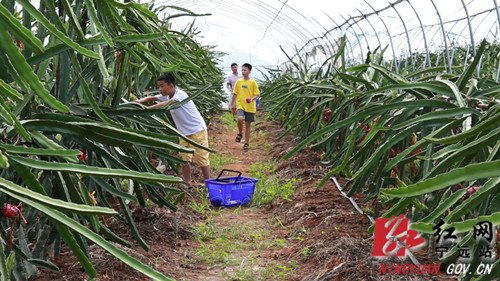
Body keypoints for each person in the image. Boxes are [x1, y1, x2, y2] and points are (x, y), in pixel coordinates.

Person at [134, 73, 210, 186]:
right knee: (184, 159)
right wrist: (140, 101)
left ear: (171, 85)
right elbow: (153, 97)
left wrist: (147, 109)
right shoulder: (167, 94)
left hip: (197, 129)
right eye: (159, 86)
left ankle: (209, 183)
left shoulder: (181, 95)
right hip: (183, 132)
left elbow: (167, 103)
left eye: (162, 86)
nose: (160, 89)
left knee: (202, 158)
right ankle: (188, 183)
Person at [230, 63, 260, 150]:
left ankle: (246, 142)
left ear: (249, 71)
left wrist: (252, 98)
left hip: (250, 106)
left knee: (247, 124)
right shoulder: (239, 82)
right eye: (242, 70)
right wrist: (232, 105)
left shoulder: (253, 82)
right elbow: (235, 94)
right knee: (240, 118)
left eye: (245, 70)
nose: (243, 71)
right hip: (240, 104)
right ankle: (240, 133)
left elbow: (257, 94)